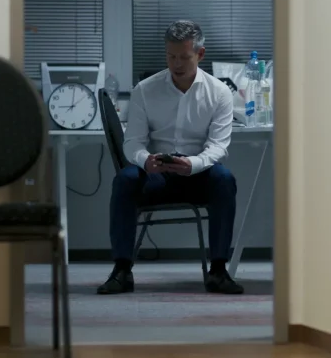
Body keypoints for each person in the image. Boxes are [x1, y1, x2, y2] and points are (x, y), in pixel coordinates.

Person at [97, 20, 243, 295]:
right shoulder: (145, 90)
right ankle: (122, 271)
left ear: (200, 54)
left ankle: (218, 271)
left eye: (184, 57)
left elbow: (218, 147)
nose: (176, 64)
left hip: (197, 174)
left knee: (224, 179)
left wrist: (193, 164)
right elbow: (133, 142)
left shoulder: (219, 93)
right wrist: (145, 160)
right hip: (157, 175)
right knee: (125, 179)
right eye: (171, 56)